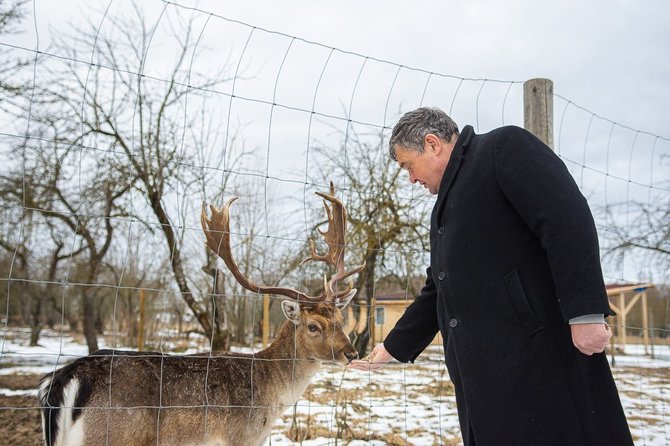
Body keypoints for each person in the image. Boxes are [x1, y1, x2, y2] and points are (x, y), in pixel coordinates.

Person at [348, 107, 633, 445]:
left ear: (432, 143)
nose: (411, 178)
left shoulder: (502, 149)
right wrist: (393, 348)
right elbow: (438, 288)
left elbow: (565, 218)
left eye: (408, 165)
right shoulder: (443, 209)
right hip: (485, 383)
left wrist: (584, 311)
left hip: (539, 366)